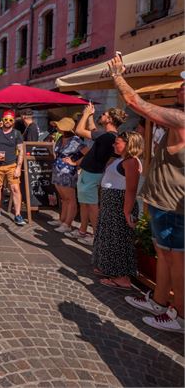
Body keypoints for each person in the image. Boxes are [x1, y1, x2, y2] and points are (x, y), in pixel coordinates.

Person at [108, 54, 185, 333]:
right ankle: (161, 301)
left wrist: (117, 76)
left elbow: (135, 103)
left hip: (173, 205)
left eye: (184, 86)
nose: (179, 88)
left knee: (177, 261)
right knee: (164, 256)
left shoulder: (180, 119)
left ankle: (179, 316)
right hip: (166, 202)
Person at [92, 131, 144, 290]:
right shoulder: (121, 160)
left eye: (118, 142)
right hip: (111, 204)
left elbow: (131, 189)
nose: (114, 145)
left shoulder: (131, 162)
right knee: (108, 237)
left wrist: (127, 212)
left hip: (119, 205)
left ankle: (121, 277)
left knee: (118, 240)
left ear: (129, 144)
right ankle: (108, 268)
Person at [74, 103, 127, 245]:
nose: (101, 115)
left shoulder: (107, 136)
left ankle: (98, 237)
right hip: (91, 172)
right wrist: (91, 115)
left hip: (92, 173)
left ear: (109, 120)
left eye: (104, 114)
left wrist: (85, 114)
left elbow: (79, 130)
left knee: (91, 205)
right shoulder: (108, 136)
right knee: (85, 203)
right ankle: (83, 231)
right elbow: (93, 129)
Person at [0, 110, 26, 226]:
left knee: (15, 189)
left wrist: (18, 167)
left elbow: (21, 151)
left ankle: (17, 214)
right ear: (2, 120)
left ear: (13, 121)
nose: (8, 122)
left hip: (11, 165)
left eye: (10, 120)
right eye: (6, 119)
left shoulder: (17, 134)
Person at [50, 117, 86, 234]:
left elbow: (86, 152)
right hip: (58, 170)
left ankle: (68, 223)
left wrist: (75, 163)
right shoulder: (61, 138)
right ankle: (62, 220)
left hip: (68, 171)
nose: (56, 128)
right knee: (63, 198)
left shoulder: (76, 140)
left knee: (70, 198)